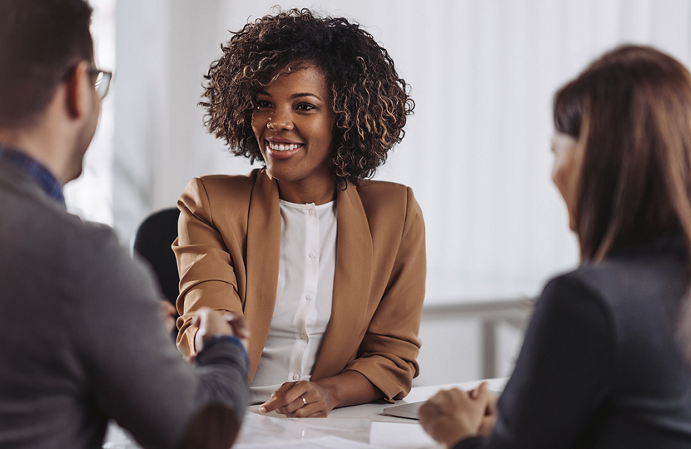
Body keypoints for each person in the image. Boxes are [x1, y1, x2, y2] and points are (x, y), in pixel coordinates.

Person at [0, 1, 249, 448]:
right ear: (79, 88)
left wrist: (125, 329)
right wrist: (223, 346)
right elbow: (203, 433)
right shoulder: (84, 261)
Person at [419, 45, 691, 448]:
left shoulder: (586, 300)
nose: (552, 172)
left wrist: (455, 430)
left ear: (595, 157)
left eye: (555, 149)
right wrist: (521, 418)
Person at [174, 8, 426, 418]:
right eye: (264, 104)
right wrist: (208, 332)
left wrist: (328, 392)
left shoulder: (394, 214)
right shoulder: (210, 203)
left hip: (335, 425)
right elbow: (211, 316)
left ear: (344, 117)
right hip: (231, 419)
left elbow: (393, 357)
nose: (277, 123)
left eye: (304, 107)